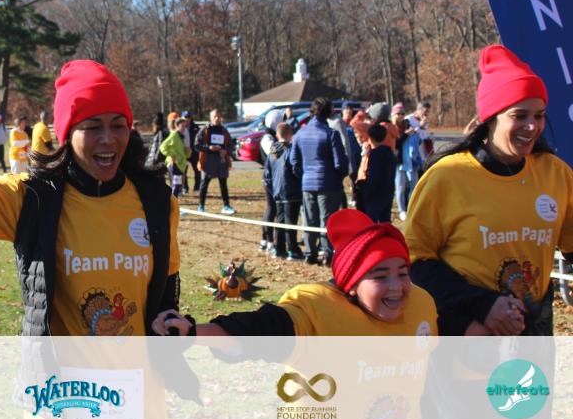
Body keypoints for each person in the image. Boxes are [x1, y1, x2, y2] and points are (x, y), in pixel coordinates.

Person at [0, 21, 182, 339]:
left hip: (141, 372)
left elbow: (165, 301)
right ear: (66, 135)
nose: (108, 138)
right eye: (93, 126)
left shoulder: (156, 201)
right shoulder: (32, 198)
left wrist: (174, 325)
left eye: (118, 125)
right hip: (59, 373)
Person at [408, 45, 573, 336]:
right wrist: (481, 306)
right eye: (519, 116)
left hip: (534, 328)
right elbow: (414, 263)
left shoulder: (555, 173)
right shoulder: (447, 176)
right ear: (491, 118)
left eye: (539, 115)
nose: (532, 126)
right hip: (468, 330)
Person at [153, 207, 436, 336]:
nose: (396, 285)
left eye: (403, 273)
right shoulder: (317, 310)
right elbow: (258, 329)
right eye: (380, 275)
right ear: (351, 284)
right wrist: (193, 332)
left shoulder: (421, 304)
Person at [289, 97, 348, 266]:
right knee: (327, 220)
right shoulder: (331, 134)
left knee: (309, 219)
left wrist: (303, 175)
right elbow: (340, 163)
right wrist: (339, 176)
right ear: (329, 112)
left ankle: (310, 253)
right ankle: (328, 254)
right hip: (329, 183)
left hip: (308, 182)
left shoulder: (300, 134)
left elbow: (294, 161)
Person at [263, 121, 303, 260]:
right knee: (290, 222)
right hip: (291, 190)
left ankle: (279, 249)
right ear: (290, 134)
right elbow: (296, 168)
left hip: (277, 191)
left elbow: (267, 175)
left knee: (280, 221)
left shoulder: (272, 152)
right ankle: (293, 250)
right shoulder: (290, 150)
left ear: (277, 135)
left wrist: (272, 189)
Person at [195, 109, 234, 214]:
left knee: (223, 183)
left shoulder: (224, 131)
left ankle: (226, 206)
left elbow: (231, 146)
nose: (217, 118)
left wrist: (226, 151)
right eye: (215, 117)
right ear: (210, 118)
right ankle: (201, 206)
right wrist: (209, 148)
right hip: (208, 160)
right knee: (204, 183)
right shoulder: (205, 130)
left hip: (221, 161)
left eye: (218, 116)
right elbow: (197, 145)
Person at [258, 109, 286, 253]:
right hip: (270, 179)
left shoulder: (272, 136)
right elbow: (275, 153)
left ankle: (267, 239)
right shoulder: (267, 138)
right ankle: (267, 239)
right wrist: (285, 142)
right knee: (271, 209)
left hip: (275, 178)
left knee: (273, 209)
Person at [358, 124, 396, 224]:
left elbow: (374, 175)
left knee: (371, 221)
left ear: (370, 137)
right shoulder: (390, 153)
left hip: (375, 193)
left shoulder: (375, 155)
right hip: (388, 190)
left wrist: (366, 191)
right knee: (385, 220)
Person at [159, 116, 191, 197]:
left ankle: (173, 201)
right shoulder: (173, 136)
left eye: (185, 126)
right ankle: (172, 201)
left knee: (177, 185)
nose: (184, 128)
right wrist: (172, 155)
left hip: (180, 165)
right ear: (177, 126)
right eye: (182, 126)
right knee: (175, 185)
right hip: (174, 164)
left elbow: (182, 152)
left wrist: (188, 152)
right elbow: (162, 147)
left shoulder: (181, 137)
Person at [182, 111, 201, 194]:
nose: (187, 119)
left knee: (197, 170)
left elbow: (199, 139)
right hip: (183, 153)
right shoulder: (180, 127)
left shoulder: (196, 128)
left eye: (188, 118)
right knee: (183, 171)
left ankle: (197, 187)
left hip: (194, 152)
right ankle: (185, 187)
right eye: (185, 118)